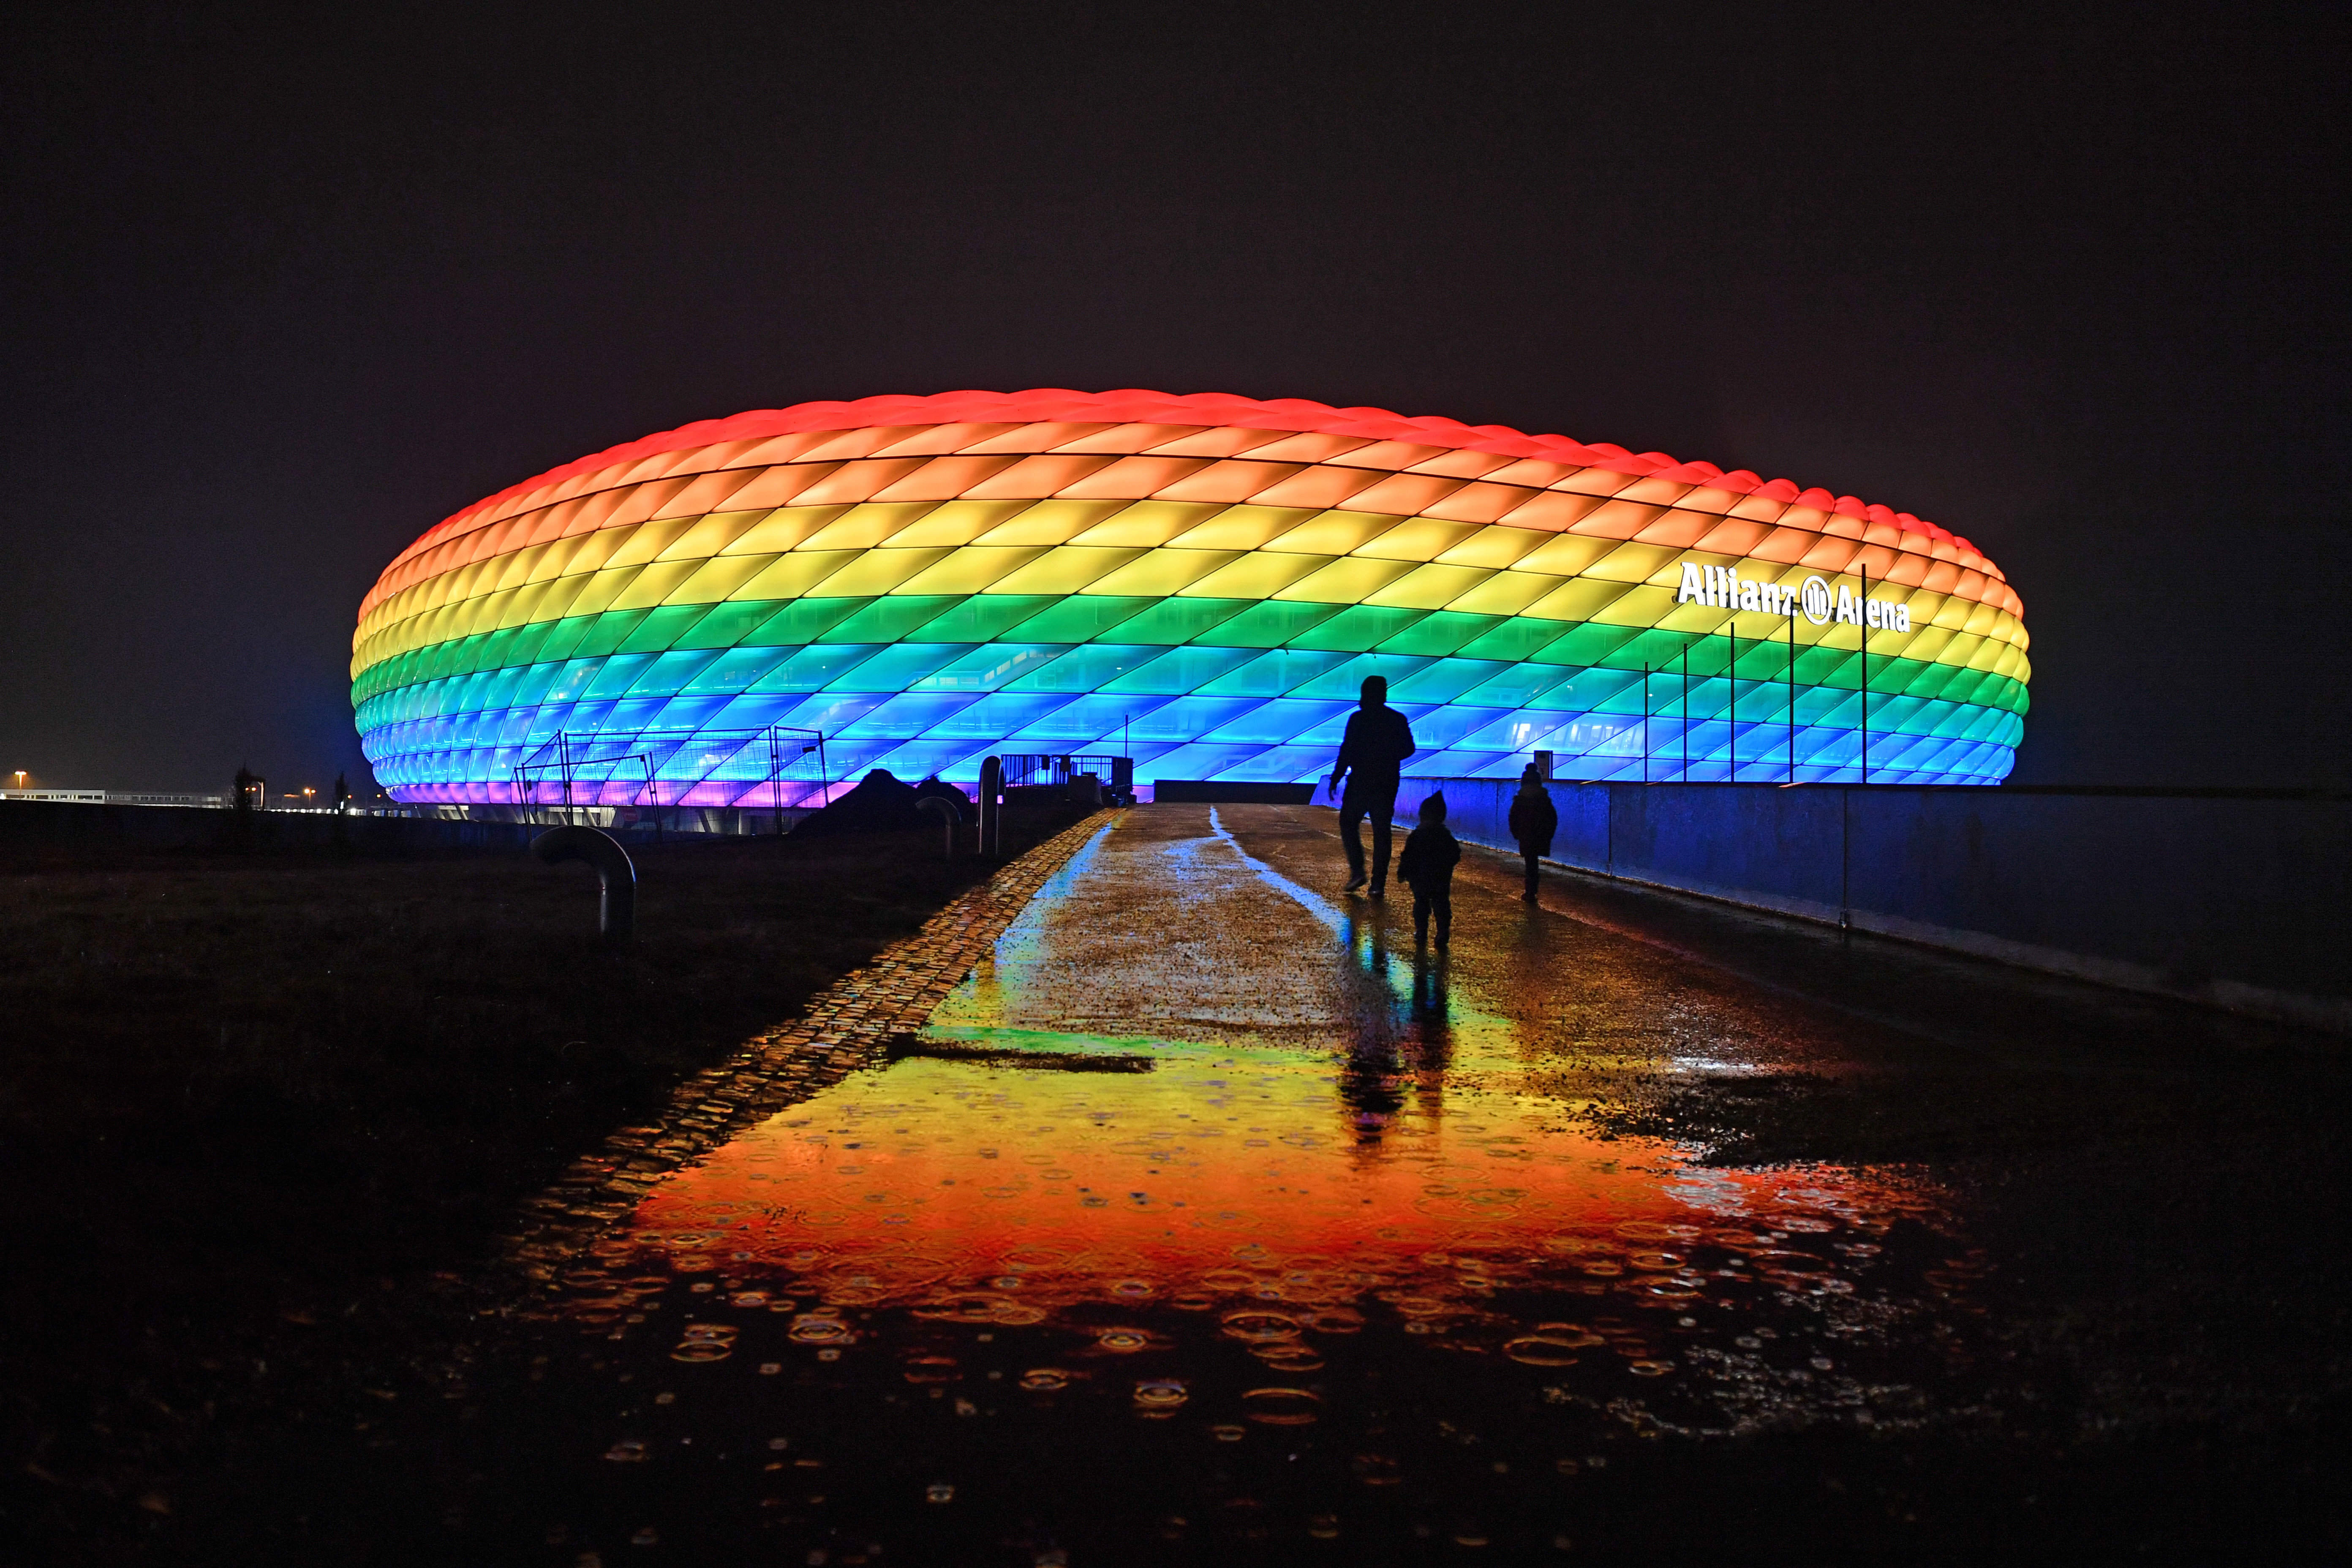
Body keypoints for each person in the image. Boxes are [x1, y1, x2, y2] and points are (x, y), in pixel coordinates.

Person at [1326, 675, 1416, 896]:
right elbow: (1409, 749)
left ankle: (1358, 872)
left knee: (1349, 823)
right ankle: (1378, 884)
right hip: (1386, 781)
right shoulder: (1397, 719)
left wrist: (1337, 776)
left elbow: (1346, 750)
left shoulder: (1357, 719)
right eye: (1384, 689)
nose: (1386, 692)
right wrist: (1387, 755)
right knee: (1381, 831)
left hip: (1360, 780)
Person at [1396, 792, 1461, 949]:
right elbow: (1455, 854)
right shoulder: (1445, 836)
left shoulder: (1417, 836)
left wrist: (1403, 872)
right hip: (1441, 878)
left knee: (1421, 905)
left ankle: (1421, 931)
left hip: (1420, 879)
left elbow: (1408, 856)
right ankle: (1442, 932)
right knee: (1442, 904)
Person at [1507, 762, 1558, 902]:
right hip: (1540, 834)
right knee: (1533, 863)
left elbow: (1513, 818)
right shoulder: (1544, 800)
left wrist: (1516, 833)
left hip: (1526, 834)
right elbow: (1552, 818)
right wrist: (1549, 834)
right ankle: (1532, 891)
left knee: (1530, 863)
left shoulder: (1520, 801)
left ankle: (1530, 892)